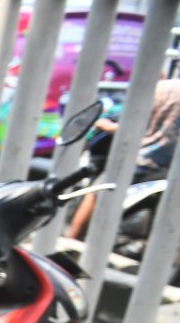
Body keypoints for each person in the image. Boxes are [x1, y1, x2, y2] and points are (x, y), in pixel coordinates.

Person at [69, 79, 180, 240]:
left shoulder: (161, 88)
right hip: (170, 168)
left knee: (95, 192)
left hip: (142, 159)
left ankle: (73, 240)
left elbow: (132, 125)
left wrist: (105, 125)